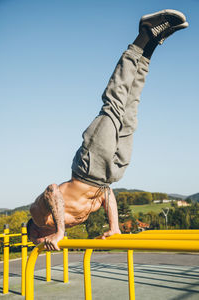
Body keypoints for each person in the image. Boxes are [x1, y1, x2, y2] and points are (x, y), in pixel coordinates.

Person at [27, 9, 188, 251]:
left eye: (37, 242)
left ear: (36, 232)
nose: (41, 245)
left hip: (88, 167)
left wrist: (58, 231)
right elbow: (105, 195)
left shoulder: (39, 217)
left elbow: (52, 190)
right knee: (131, 111)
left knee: (114, 105)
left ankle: (143, 35)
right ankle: (151, 45)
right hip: (108, 177)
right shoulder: (71, 221)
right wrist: (114, 226)